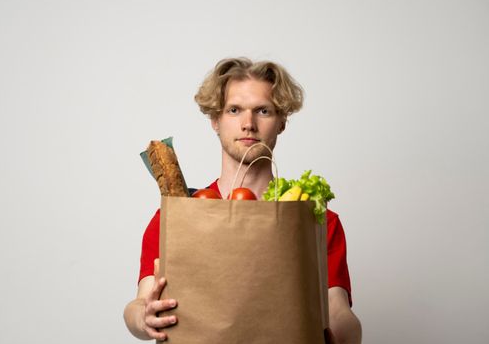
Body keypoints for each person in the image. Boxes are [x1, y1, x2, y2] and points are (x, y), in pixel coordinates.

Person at [123, 57, 362, 343]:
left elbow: (336, 307)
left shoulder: (315, 219)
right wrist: (143, 317)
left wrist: (343, 335)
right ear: (215, 120)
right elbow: (138, 305)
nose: (248, 124)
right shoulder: (176, 217)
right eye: (234, 110)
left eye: (263, 110)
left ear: (282, 121)